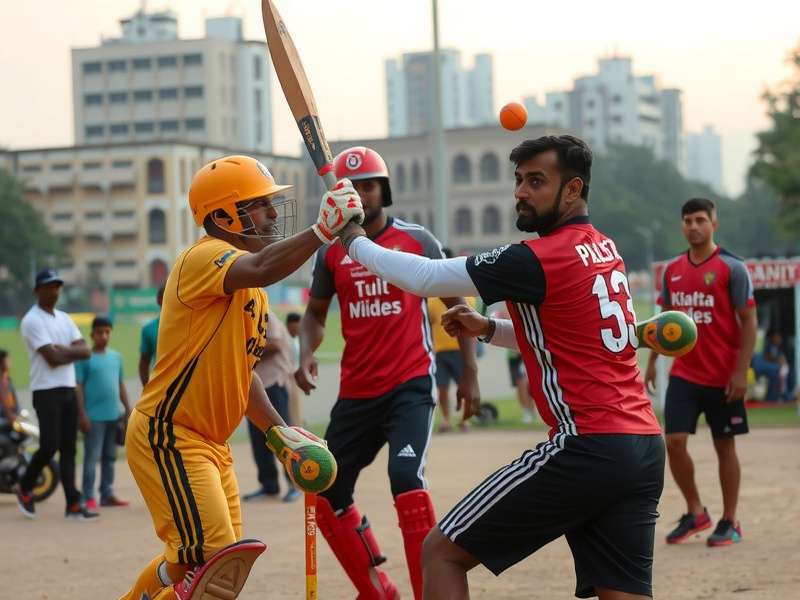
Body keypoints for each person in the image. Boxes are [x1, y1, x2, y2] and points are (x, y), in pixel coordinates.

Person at [338, 135, 666, 600]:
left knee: (441, 552)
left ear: (572, 190)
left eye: (536, 181)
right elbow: (571, 337)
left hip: (587, 445)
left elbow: (425, 277)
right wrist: (489, 328)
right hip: (642, 448)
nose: (520, 192)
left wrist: (352, 238)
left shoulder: (537, 257)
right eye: (518, 180)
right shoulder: (605, 248)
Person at [118, 155, 362, 600]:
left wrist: (279, 434)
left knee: (191, 563)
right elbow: (262, 265)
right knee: (213, 570)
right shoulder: (204, 257)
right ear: (222, 215)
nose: (272, 214)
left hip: (210, 444)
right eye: (259, 204)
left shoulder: (251, 293)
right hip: (171, 434)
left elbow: (242, 372)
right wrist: (322, 232)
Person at [296, 146, 479, 600]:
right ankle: (378, 591)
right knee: (325, 493)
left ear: (384, 190)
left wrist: (470, 373)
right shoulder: (331, 253)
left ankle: (427, 594)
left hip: (410, 384)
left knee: (405, 480)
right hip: (357, 391)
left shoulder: (417, 240)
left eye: (369, 185)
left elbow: (457, 303)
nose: (361, 193)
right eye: (352, 186)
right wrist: (306, 351)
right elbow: (315, 315)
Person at [645, 197, 757, 547]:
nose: (693, 226)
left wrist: (741, 373)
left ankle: (730, 519)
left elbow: (749, 321)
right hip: (685, 374)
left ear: (713, 224)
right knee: (673, 442)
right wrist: (651, 360)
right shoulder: (673, 269)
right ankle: (696, 511)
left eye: (700, 220)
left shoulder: (732, 268)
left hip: (724, 377)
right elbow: (663, 321)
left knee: (725, 446)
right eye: (688, 220)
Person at [14, 268, 95, 520]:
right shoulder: (32, 320)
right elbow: (52, 358)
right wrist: (70, 351)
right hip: (45, 390)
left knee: (69, 448)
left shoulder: (64, 318)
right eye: (49, 286)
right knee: (49, 445)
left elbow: (86, 352)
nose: (55, 291)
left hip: (68, 387)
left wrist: (67, 351)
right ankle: (25, 486)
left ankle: (73, 503)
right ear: (37, 290)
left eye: (57, 286)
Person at [242, 313, 301, 503]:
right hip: (251, 387)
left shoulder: (264, 315)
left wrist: (246, 353)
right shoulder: (238, 318)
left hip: (273, 381)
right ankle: (269, 485)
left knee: (281, 434)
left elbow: (275, 345)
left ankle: (295, 484)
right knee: (257, 437)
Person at [75, 316, 131, 509]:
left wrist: (127, 409)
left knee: (110, 457)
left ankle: (107, 494)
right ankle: (88, 496)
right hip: (93, 417)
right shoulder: (85, 358)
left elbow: (120, 384)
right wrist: (82, 415)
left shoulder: (116, 357)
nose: (104, 336)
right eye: (100, 332)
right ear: (92, 334)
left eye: (107, 332)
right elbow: (78, 387)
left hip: (113, 415)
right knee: (91, 457)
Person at [427, 254, 477, 433]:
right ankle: (447, 419)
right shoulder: (432, 299)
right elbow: (428, 324)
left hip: (459, 349)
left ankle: (465, 420)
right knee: (442, 388)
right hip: (440, 350)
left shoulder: (467, 297)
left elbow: (474, 324)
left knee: (464, 384)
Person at [750, 330, 790, 402]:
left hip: (767, 366)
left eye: (779, 338)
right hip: (758, 365)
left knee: (782, 373)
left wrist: (782, 362)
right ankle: (774, 397)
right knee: (778, 371)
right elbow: (768, 357)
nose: (779, 339)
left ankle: (780, 396)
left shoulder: (778, 348)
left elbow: (781, 358)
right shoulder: (767, 345)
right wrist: (778, 361)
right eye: (777, 337)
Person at [139, 285, 165, 387]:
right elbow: (144, 362)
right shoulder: (149, 329)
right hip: (160, 387)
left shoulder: (188, 325)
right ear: (159, 300)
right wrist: (147, 389)